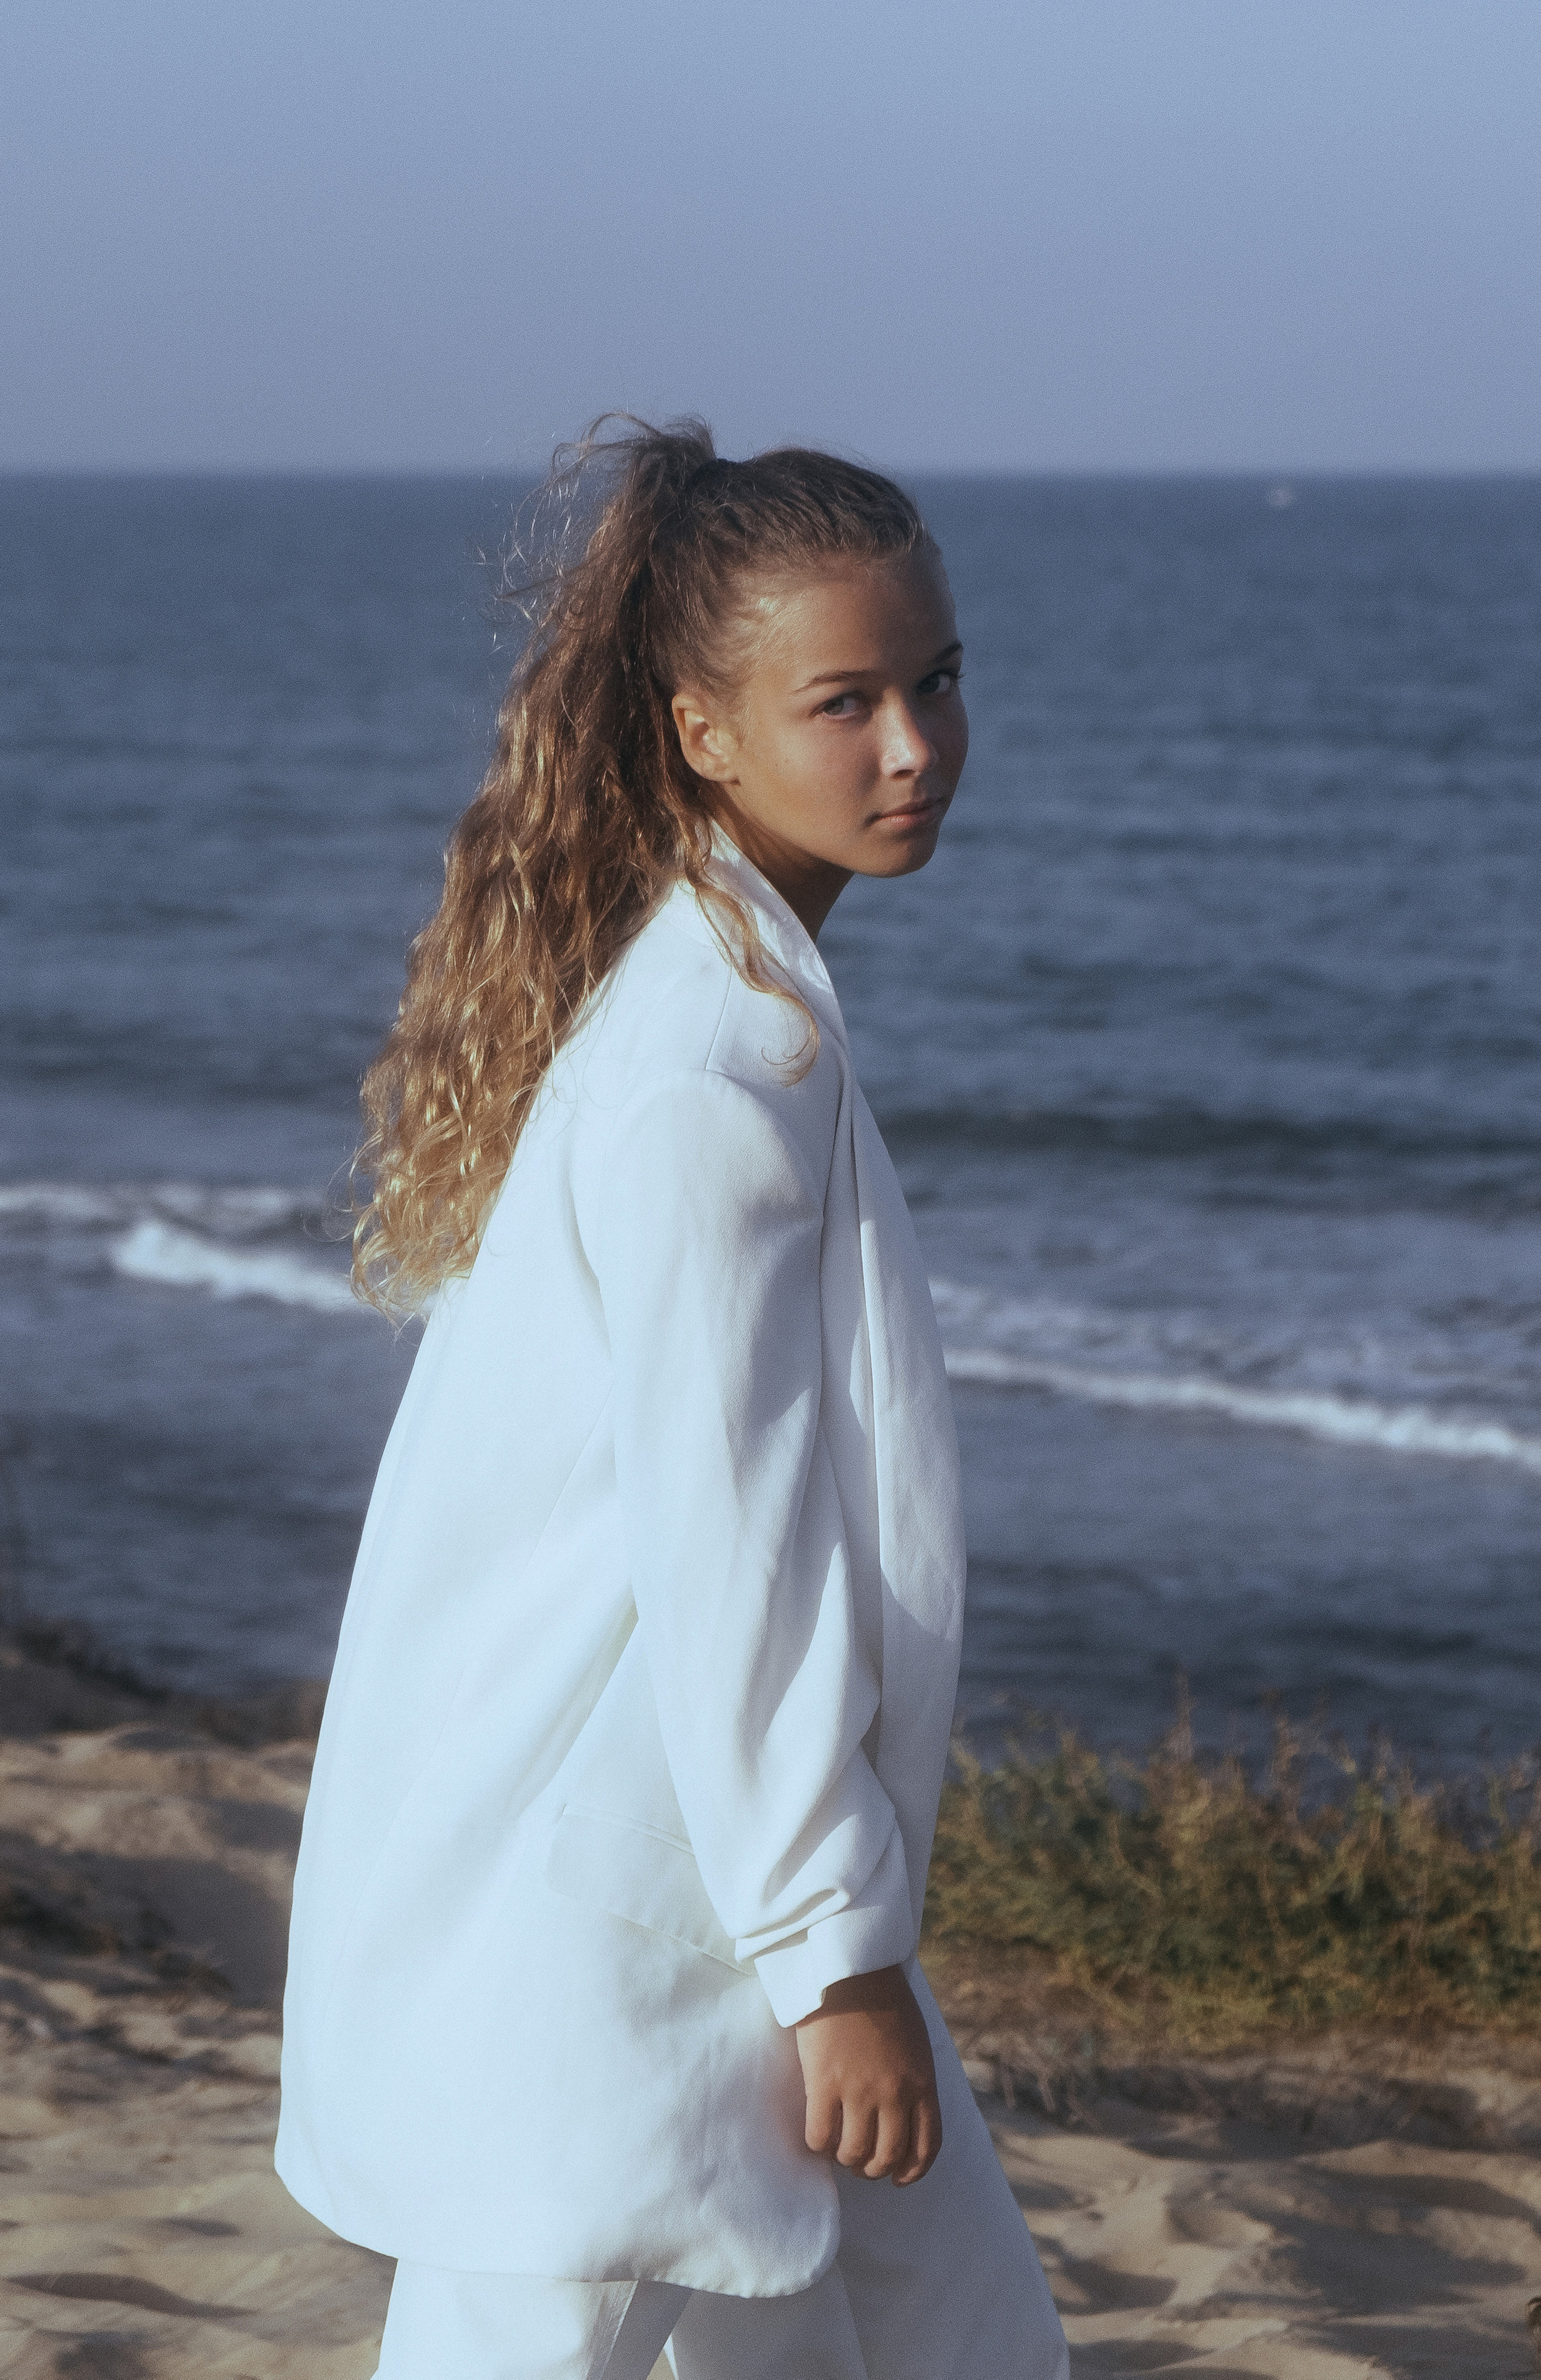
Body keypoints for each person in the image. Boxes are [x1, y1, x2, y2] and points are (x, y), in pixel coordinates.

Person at [276, 421, 1070, 2380]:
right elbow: (739, 1560)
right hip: (616, 1929)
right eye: (847, 703)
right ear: (706, 733)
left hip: (688, 1894)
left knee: (955, 2340)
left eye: (939, 679)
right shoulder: (711, 1067)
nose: (917, 746)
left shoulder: (733, 994)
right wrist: (841, 1960)